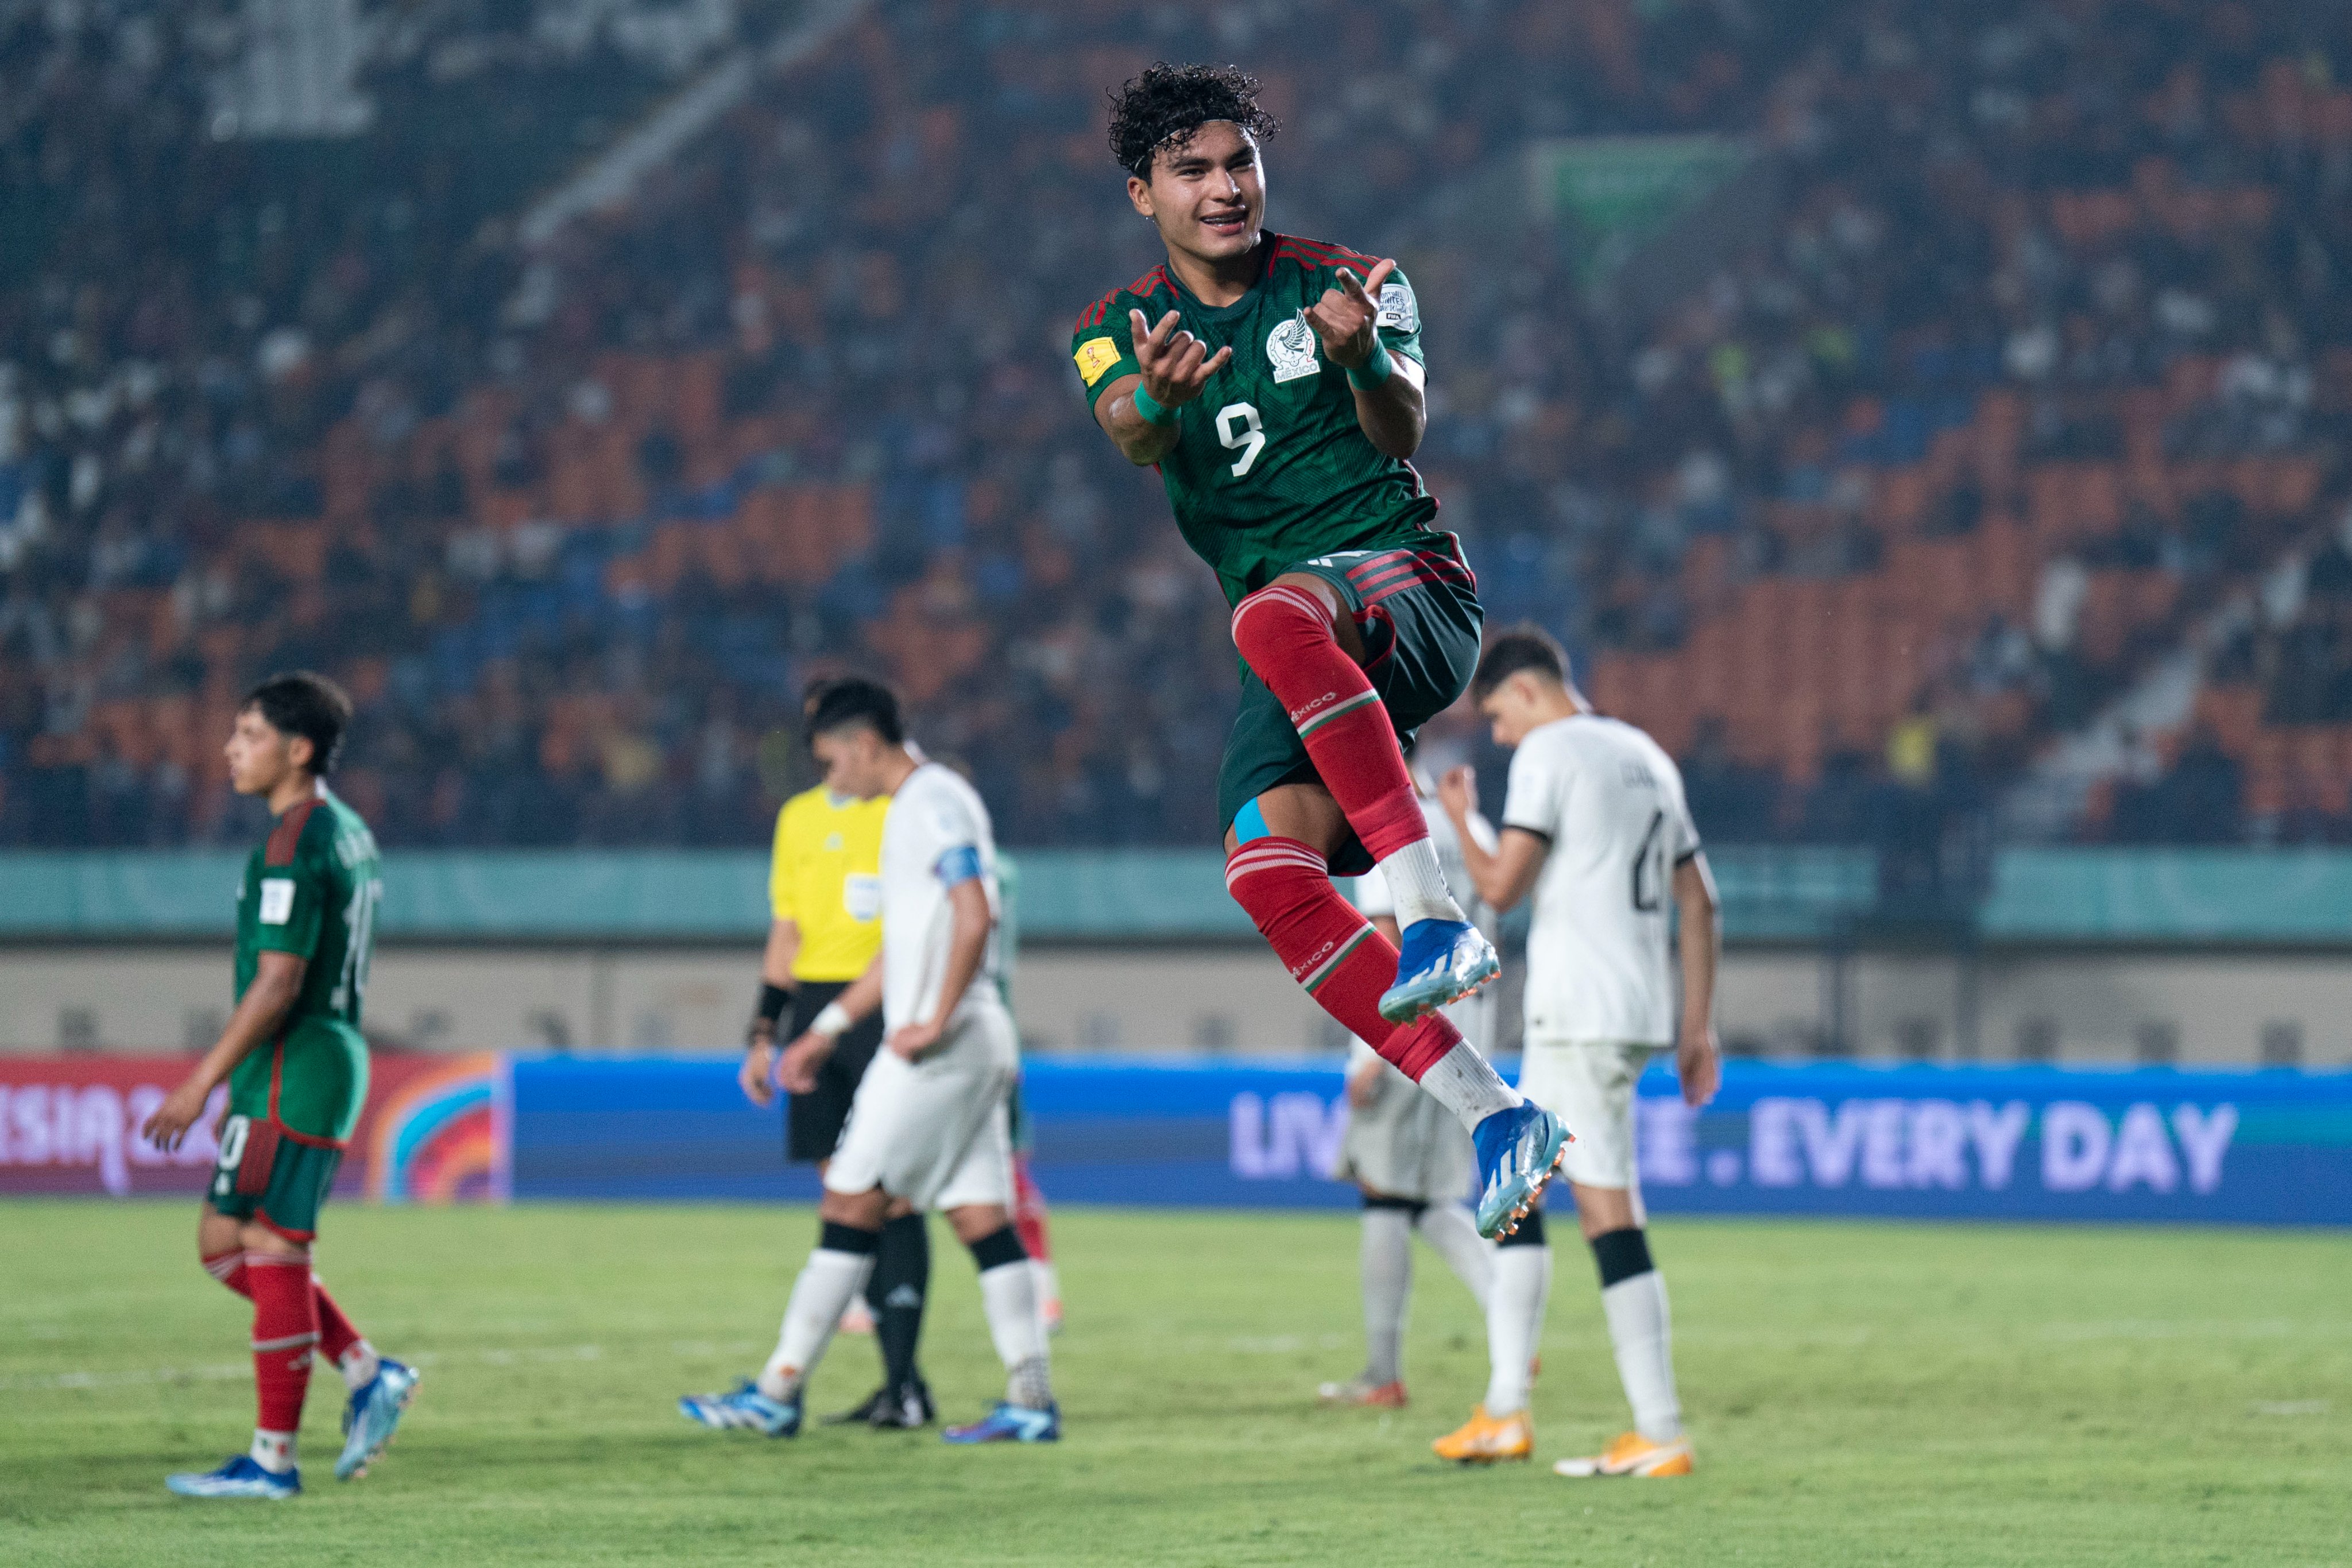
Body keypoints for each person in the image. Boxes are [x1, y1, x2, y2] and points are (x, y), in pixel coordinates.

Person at [1074, 62, 1566, 1238]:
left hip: (1407, 591)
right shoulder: (1113, 330)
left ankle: (1428, 908)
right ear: (1143, 192)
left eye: (1238, 161)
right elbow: (1129, 431)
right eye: (1190, 170)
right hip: (1295, 646)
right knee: (1265, 873)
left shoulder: (1352, 282)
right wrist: (1151, 395)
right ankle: (1492, 1113)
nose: (1223, 187)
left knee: (1268, 616)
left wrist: (1356, 359)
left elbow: (1403, 426)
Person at [679, 680, 1058, 1443]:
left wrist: (933, 1017)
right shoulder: (912, 807)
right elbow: (903, 944)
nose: (832, 777)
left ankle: (779, 1388)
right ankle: (1031, 1398)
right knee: (981, 1215)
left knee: (850, 1198)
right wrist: (827, 1025)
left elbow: (974, 908)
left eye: (832, 759)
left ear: (862, 742)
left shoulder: (930, 800)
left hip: (941, 1044)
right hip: (970, 1038)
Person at [1438, 627, 1723, 1478]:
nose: (1498, 736)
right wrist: (1697, 1025)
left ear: (1525, 692)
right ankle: (1505, 1408)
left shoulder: (1551, 754)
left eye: (1496, 716)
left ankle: (1656, 1426)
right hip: (1633, 1007)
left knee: (1600, 1206)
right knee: (1522, 1188)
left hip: (1579, 1009)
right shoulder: (1647, 756)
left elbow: (1498, 886)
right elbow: (1700, 902)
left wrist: (1459, 816)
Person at [141, 673, 417, 1498]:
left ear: (298, 750)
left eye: (250, 733)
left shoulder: (294, 842)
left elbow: (278, 980)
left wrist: (198, 1081)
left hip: (296, 1063)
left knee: (268, 1245)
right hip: (300, 1061)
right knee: (225, 1242)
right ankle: (366, 1369)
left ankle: (272, 1460)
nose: (231, 746)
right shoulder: (346, 829)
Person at [740, 680, 933, 1428]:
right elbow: (786, 928)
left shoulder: (905, 809)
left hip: (885, 1002)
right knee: (841, 1186)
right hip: (816, 1006)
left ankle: (902, 1381)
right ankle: (901, 1385)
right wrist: (764, 1031)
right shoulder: (798, 818)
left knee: (894, 1190)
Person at [1319, 773, 1503, 1412]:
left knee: (1383, 1192)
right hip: (1467, 1038)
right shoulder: (1470, 826)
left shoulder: (1382, 824)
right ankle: (1509, 1320)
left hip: (1405, 1035)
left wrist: (1369, 1052)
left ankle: (1381, 1373)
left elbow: (1384, 945)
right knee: (1424, 1197)